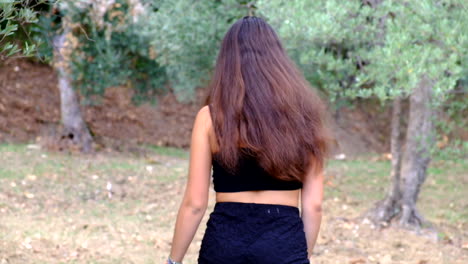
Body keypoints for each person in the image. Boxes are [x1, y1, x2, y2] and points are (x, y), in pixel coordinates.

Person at [166, 16, 331, 264]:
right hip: (283, 242)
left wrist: (173, 261)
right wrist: (299, 255)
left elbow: (195, 203)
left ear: (227, 61)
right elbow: (314, 205)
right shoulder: (304, 117)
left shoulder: (210, 118)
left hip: (224, 242)